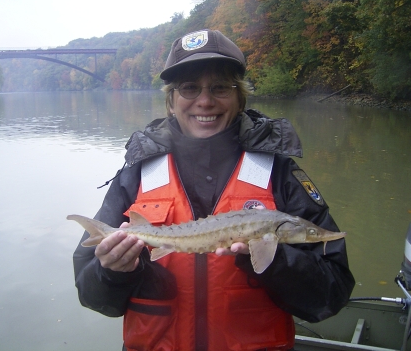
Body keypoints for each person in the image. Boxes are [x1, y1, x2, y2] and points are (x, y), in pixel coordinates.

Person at [73, 29, 355, 351]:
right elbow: (92, 296)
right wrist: (113, 272)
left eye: (220, 87)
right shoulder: (137, 174)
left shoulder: (279, 173)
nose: (205, 101)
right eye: (190, 88)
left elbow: (332, 296)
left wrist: (276, 261)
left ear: (240, 97)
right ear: (172, 99)